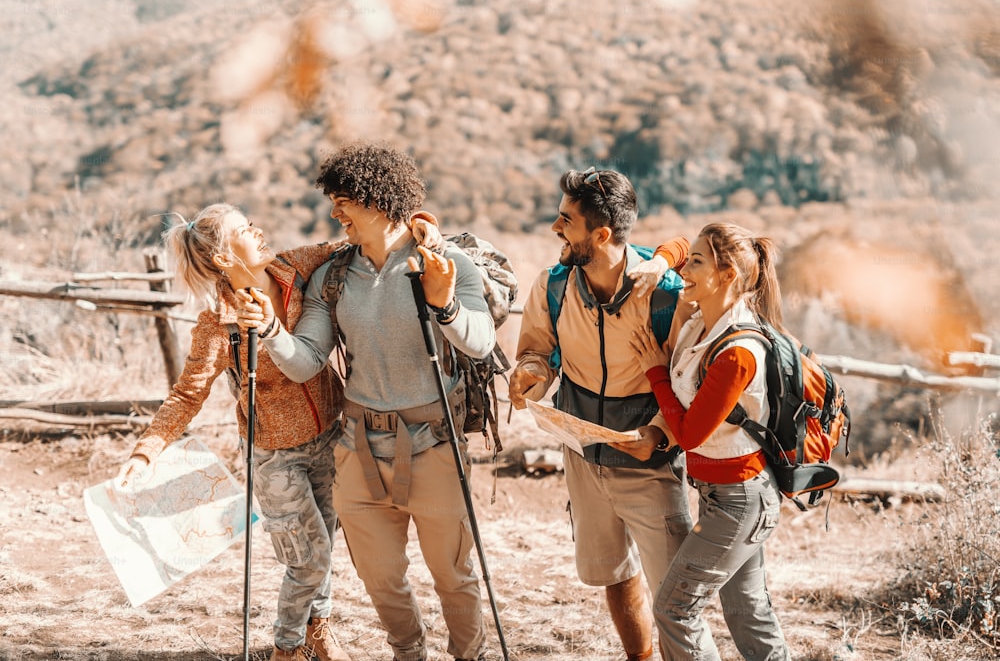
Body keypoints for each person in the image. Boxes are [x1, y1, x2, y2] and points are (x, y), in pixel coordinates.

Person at [115, 202, 441, 661]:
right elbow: (188, 394)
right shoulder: (218, 326)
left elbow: (356, 240)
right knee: (307, 560)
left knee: (323, 546)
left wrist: (415, 223)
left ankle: (318, 630)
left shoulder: (295, 267)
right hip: (274, 456)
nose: (260, 230)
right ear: (226, 258)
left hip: (330, 435)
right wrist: (146, 451)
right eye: (246, 230)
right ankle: (285, 648)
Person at [235, 142, 494, 661]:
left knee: (453, 575)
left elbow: (481, 340)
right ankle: (408, 653)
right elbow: (306, 359)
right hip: (357, 450)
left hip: (434, 447)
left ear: (376, 200)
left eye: (342, 201)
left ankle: (470, 655)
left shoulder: (444, 265)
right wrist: (268, 328)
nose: (334, 214)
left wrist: (443, 306)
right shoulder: (333, 278)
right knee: (379, 577)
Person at [508, 167, 693, 661]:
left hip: (653, 464)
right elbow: (537, 352)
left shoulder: (666, 295)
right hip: (583, 458)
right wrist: (530, 375)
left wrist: (657, 434)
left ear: (601, 234)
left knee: (676, 594)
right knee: (614, 571)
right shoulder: (552, 286)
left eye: (565, 220)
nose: (554, 228)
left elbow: (689, 385)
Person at [622, 222, 790, 660]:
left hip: (740, 501)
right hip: (726, 497)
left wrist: (656, 371)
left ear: (727, 275)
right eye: (690, 259)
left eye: (698, 263)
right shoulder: (702, 321)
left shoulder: (737, 351)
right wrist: (663, 259)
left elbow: (693, 435)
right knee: (746, 612)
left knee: (675, 610)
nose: (686, 270)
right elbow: (677, 246)